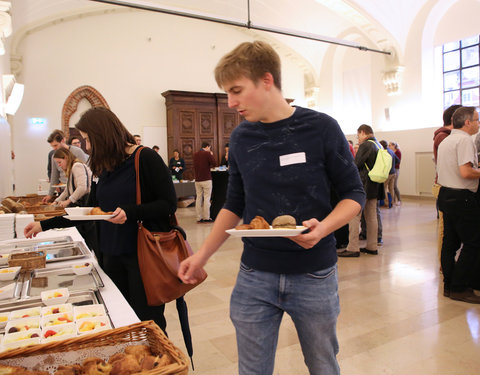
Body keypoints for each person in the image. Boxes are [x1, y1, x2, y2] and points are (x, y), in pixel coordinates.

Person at [178, 41, 365, 375]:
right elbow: (234, 204)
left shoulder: (321, 127)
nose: (231, 103)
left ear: (267, 80)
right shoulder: (241, 138)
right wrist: (201, 255)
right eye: (227, 93)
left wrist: (323, 228)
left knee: (323, 364)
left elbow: (354, 194)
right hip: (255, 275)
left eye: (236, 91)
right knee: (252, 370)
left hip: (314, 273)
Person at [24, 107, 177, 330]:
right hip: (109, 256)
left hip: (141, 257)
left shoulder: (145, 158)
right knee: (120, 320)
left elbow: (168, 204)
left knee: (147, 323)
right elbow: (87, 211)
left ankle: (158, 364)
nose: (86, 146)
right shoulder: (105, 166)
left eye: (88, 139)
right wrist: (44, 225)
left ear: (102, 134)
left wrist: (130, 212)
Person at [437, 106, 480, 304]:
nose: (479, 123)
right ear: (468, 122)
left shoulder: (446, 140)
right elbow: (466, 172)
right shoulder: (464, 140)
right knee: (473, 243)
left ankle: (449, 285)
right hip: (462, 197)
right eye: (477, 120)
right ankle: (460, 287)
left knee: (450, 243)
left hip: (446, 195)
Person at [338, 124, 381, 257]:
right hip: (374, 185)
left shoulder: (366, 145)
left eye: (358, 136)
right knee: (371, 216)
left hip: (363, 184)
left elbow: (356, 164)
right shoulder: (378, 145)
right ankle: (372, 246)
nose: (358, 139)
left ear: (363, 132)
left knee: (354, 215)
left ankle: (353, 247)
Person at [432, 104, 462, 263]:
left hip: (453, 186)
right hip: (445, 186)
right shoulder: (443, 136)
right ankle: (444, 265)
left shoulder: (448, 136)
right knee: (445, 229)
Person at [43, 130, 89, 203]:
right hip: (65, 190)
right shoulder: (54, 156)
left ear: (63, 141)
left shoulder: (77, 152)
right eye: (52, 146)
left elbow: (86, 172)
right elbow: (54, 176)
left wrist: (69, 200)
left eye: (55, 145)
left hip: (79, 192)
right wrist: (50, 194)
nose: (54, 148)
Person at [193, 142, 216, 223]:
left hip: (197, 179)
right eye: (209, 148)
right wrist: (211, 155)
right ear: (207, 147)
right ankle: (206, 217)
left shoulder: (195, 154)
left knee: (198, 198)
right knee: (207, 198)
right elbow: (214, 164)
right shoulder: (207, 153)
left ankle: (198, 218)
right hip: (206, 179)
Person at [388, 141, 401, 205]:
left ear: (394, 146)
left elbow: (397, 161)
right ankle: (394, 200)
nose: (389, 146)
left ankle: (399, 200)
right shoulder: (392, 152)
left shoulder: (398, 152)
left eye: (390, 145)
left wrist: (392, 165)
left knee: (394, 185)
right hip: (392, 169)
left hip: (396, 169)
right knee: (392, 186)